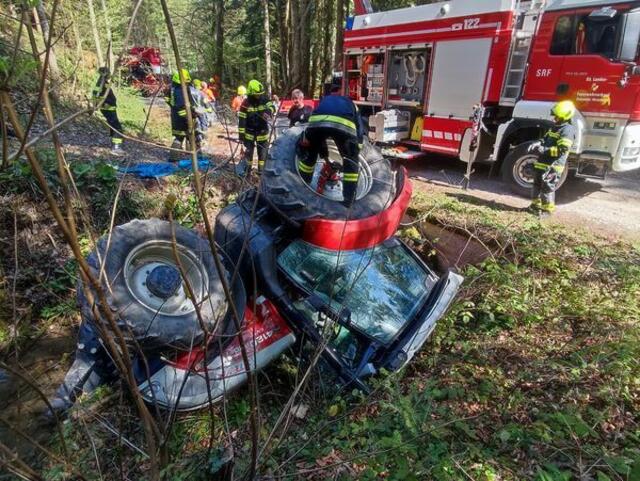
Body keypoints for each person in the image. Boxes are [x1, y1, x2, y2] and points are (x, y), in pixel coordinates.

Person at [297, 83, 364, 208]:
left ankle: (302, 188)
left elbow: (318, 127)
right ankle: (348, 201)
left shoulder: (324, 100)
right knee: (351, 162)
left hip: (317, 124)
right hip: (343, 126)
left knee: (309, 156)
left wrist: (321, 153)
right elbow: (359, 127)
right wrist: (357, 148)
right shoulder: (350, 103)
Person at [527, 100, 576, 215]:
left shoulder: (567, 130)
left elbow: (561, 150)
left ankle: (547, 212)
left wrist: (544, 150)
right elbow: (545, 139)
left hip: (553, 166)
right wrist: (538, 143)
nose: (554, 119)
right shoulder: (555, 127)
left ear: (565, 117)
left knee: (547, 188)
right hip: (542, 163)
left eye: (557, 117)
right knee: (537, 185)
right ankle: (535, 207)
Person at [236, 79, 275, 176]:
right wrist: (241, 136)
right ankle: (247, 171)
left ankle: (261, 172)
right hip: (249, 134)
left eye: (261, 94)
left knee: (262, 155)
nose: (259, 96)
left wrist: (269, 111)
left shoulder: (264, 99)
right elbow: (242, 121)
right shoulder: (245, 104)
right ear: (251, 93)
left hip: (262, 133)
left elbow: (272, 106)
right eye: (257, 94)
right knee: (248, 154)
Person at [167, 69, 198, 160]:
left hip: (175, 116)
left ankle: (184, 155)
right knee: (182, 136)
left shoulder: (173, 88)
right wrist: (190, 116)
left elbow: (169, 100)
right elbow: (182, 105)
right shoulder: (180, 90)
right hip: (182, 118)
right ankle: (176, 157)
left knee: (183, 136)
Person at [92, 67, 124, 154]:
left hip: (110, 108)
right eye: (108, 73)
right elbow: (95, 94)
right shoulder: (101, 83)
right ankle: (116, 147)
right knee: (117, 128)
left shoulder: (103, 82)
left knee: (113, 126)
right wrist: (98, 104)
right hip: (108, 109)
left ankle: (114, 145)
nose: (110, 75)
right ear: (105, 73)